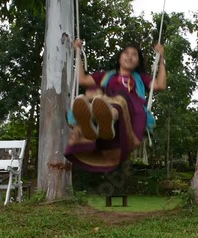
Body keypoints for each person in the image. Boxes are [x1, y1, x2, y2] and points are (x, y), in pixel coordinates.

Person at [65, 39, 167, 173]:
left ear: (138, 62)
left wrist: (161, 59)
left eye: (134, 54)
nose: (129, 56)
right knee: (95, 96)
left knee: (119, 96)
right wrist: (77, 53)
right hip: (106, 102)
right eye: (126, 53)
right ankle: (95, 122)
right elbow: (82, 80)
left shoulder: (140, 78)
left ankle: (107, 117)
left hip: (130, 113)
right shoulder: (106, 76)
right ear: (119, 57)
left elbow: (160, 85)